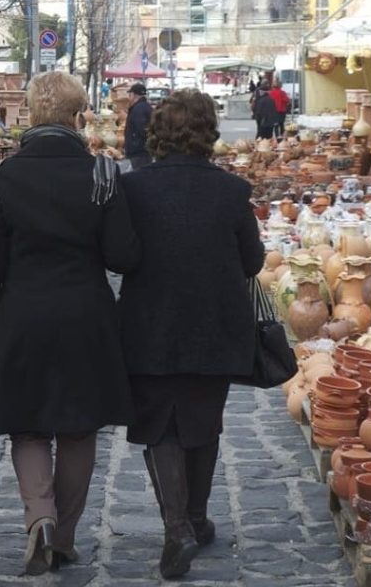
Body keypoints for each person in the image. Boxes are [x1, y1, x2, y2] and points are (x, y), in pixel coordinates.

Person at [0, 71, 141, 576]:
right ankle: (63, 537)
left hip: (22, 315)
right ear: (78, 114)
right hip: (85, 314)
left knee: (29, 425)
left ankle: (39, 516)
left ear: (32, 113)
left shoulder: (2, 176)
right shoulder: (102, 173)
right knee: (79, 428)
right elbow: (123, 255)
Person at [117, 88, 265, 579]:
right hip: (215, 323)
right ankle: (196, 519)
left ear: (158, 132)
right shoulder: (231, 190)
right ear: (207, 132)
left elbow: (121, 255)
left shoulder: (133, 189)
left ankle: (177, 525)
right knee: (203, 420)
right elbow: (252, 261)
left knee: (160, 424)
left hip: (150, 322)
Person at [124, 82, 154, 170]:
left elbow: (142, 130)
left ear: (133, 95)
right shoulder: (146, 107)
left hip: (138, 152)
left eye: (130, 94)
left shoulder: (138, 109)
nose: (129, 97)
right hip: (144, 151)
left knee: (138, 172)